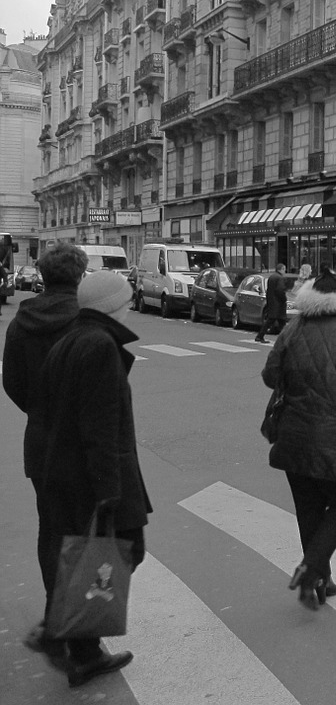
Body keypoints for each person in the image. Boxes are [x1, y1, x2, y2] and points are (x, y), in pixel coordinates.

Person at [34, 270, 149, 687]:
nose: (131, 305)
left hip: (64, 471)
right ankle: (65, 635)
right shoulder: (100, 345)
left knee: (94, 559)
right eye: (128, 299)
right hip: (96, 478)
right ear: (111, 305)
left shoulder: (71, 339)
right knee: (122, 553)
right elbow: (100, 428)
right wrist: (110, 494)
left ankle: (75, 645)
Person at [264, 266, 336, 609]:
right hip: (333, 436)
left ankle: (320, 579)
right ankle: (312, 570)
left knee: (308, 508)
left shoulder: (294, 328)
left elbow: (270, 375)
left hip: (293, 433)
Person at [3, 244, 89, 666]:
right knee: (88, 539)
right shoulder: (87, 321)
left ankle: (65, 626)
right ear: (79, 276)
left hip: (41, 442)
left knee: (51, 533)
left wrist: (40, 411)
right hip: (83, 443)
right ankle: (74, 635)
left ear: (41, 274)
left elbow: (12, 382)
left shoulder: (21, 322)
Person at [255, 262, 288, 342]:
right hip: (278, 303)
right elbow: (280, 290)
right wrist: (284, 299)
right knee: (277, 320)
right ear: (282, 269)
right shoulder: (279, 278)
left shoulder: (272, 277)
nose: (285, 272)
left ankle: (285, 339)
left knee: (277, 321)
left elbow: (269, 290)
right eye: (284, 270)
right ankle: (260, 336)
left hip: (272, 302)